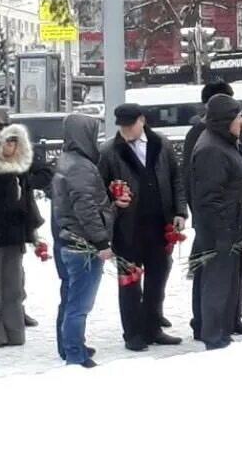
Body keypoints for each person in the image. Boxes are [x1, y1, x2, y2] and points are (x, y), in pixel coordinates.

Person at [97, 104, 186, 351]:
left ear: (142, 121)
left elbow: (176, 179)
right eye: (122, 126)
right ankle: (133, 333)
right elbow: (99, 190)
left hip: (160, 225)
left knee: (157, 279)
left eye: (130, 125)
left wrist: (179, 212)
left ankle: (152, 327)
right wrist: (113, 202)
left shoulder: (161, 144)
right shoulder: (109, 151)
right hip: (128, 227)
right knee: (130, 283)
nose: (126, 130)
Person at [191, 94, 242, 350]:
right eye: (237, 117)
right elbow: (209, 197)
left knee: (226, 282)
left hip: (232, 227)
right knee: (216, 283)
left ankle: (222, 329)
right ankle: (214, 335)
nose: (241, 122)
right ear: (226, 120)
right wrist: (224, 230)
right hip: (221, 230)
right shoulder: (211, 148)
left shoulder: (224, 143)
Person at [53, 114, 120, 368]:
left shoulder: (68, 160)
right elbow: (85, 207)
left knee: (72, 299)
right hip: (83, 245)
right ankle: (74, 354)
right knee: (79, 305)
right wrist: (102, 241)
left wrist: (111, 207)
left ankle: (73, 345)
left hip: (72, 239)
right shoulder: (80, 165)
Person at [0, 122, 43, 348]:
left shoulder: (19, 168)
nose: (12, 146)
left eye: (15, 141)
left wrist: (30, 230)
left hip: (15, 235)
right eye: (7, 141)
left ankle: (15, 333)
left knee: (14, 288)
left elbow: (30, 195)